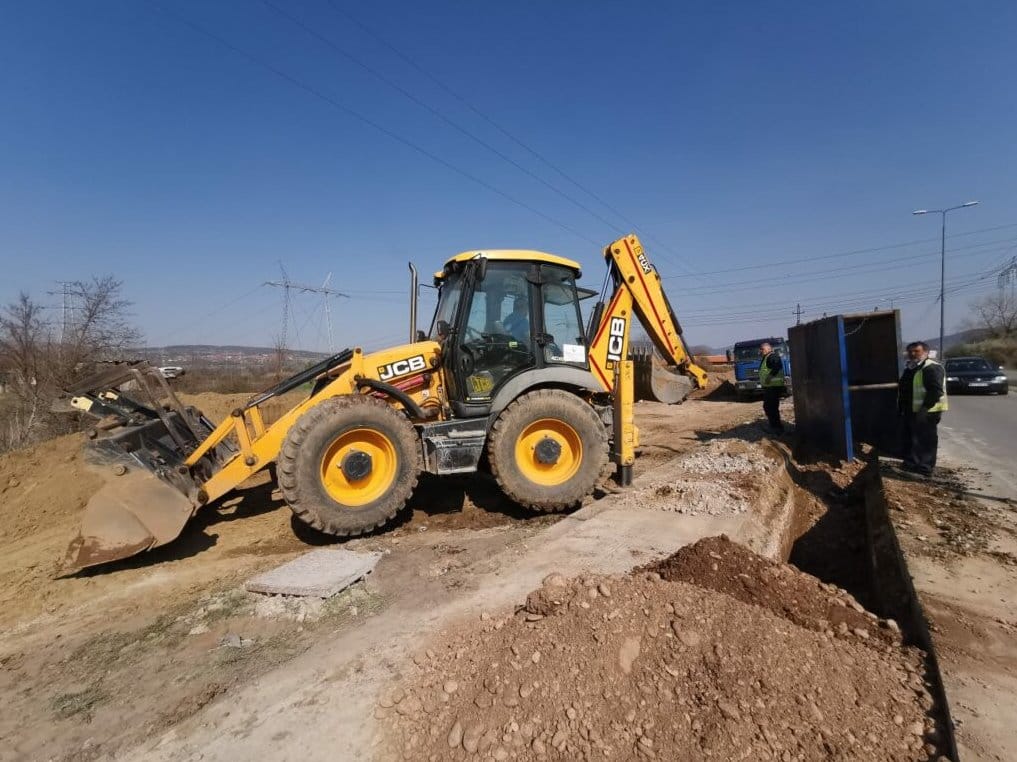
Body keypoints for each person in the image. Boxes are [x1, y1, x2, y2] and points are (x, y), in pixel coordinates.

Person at [897, 341, 948, 476]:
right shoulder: (911, 368)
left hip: (927, 411)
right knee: (911, 438)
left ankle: (925, 468)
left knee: (926, 440)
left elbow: (935, 391)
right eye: (910, 351)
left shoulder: (931, 368)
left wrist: (924, 409)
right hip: (911, 409)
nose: (912, 354)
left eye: (916, 351)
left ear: (925, 352)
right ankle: (911, 464)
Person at [758, 342, 786, 432]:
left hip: (773, 387)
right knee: (769, 407)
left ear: (768, 349)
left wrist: (769, 377)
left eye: (762, 349)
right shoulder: (767, 357)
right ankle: (775, 426)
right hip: (770, 387)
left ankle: (776, 428)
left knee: (771, 407)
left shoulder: (772, 356)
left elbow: (777, 366)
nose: (760, 351)